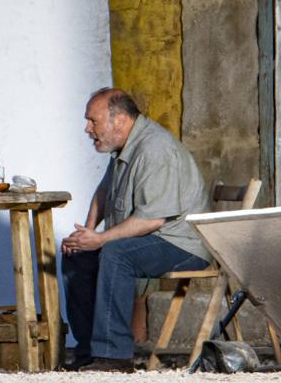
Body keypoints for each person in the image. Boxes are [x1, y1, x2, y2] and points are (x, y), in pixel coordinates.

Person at [61, 88, 211, 372]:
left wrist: (102, 239)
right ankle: (88, 353)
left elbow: (153, 220)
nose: (87, 128)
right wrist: (87, 234)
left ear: (118, 120)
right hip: (149, 238)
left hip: (182, 243)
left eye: (93, 121)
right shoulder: (123, 146)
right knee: (77, 255)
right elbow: (104, 191)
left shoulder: (155, 149)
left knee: (117, 253)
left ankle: (115, 357)